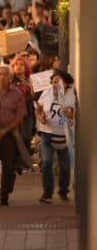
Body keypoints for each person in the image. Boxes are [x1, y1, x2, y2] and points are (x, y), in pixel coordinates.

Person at [0, 64, 26, 207]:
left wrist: (4, 131)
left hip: (8, 134)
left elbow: (20, 118)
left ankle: (4, 197)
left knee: (8, 167)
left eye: (4, 74)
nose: (1, 77)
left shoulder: (17, 94)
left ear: (10, 77)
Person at [36, 71, 75, 204]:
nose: (55, 85)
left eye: (59, 82)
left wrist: (68, 113)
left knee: (64, 166)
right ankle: (47, 193)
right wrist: (40, 118)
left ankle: (63, 191)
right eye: (53, 82)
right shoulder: (46, 93)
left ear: (65, 83)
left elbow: (73, 114)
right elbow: (39, 108)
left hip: (64, 134)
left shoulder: (70, 95)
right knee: (46, 163)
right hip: (47, 132)